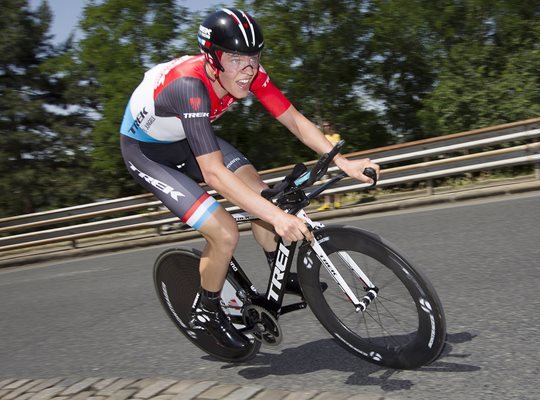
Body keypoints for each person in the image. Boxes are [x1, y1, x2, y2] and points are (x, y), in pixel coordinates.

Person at [119, 8, 379, 353]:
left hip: (185, 137)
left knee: (267, 198)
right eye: (236, 58)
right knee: (224, 231)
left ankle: (280, 273)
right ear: (212, 59)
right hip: (148, 154)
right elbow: (214, 173)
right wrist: (277, 219)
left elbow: (295, 120)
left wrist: (344, 164)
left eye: (254, 57)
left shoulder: (248, 73)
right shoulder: (190, 87)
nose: (248, 68)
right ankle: (207, 313)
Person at [316, 120, 342, 210]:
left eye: (328, 125)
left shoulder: (336, 136)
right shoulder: (322, 137)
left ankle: (337, 202)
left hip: (334, 161)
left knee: (335, 182)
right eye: (324, 126)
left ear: (331, 126)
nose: (326, 127)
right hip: (325, 162)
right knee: (325, 183)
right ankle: (327, 203)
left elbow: (338, 148)